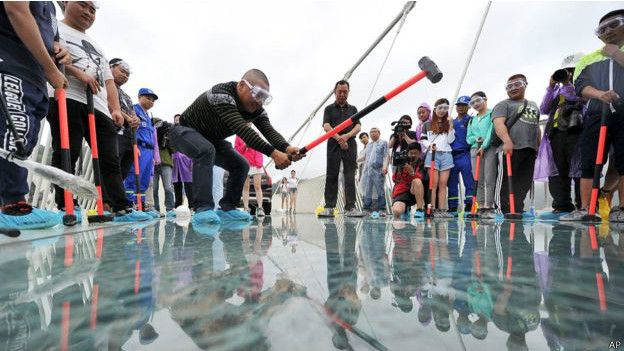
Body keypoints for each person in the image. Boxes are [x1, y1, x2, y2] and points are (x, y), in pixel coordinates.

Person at [46, 1, 150, 222]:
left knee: (109, 158)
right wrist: (76, 73)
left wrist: (115, 109)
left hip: (99, 106)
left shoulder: (98, 46)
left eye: (93, 10)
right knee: (67, 151)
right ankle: (66, 204)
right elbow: (48, 55)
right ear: (65, 3)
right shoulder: (53, 25)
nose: (88, 12)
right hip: (67, 96)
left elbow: (109, 82)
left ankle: (120, 206)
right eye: (83, 5)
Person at [169, 69, 301, 225]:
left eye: (264, 98)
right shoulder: (221, 94)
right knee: (206, 150)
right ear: (241, 85)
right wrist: (274, 154)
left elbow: (268, 130)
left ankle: (227, 207)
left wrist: (286, 148)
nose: (259, 101)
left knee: (241, 164)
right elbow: (243, 130)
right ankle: (202, 208)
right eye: (257, 94)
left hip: (210, 139)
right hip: (183, 131)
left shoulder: (256, 109)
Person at [0, 1, 71, 229]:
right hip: (10, 62)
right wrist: (51, 70)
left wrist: (61, 52)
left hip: (36, 78)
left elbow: (53, 40)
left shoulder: (49, 6)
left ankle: (14, 204)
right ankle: (13, 205)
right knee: (13, 134)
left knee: (25, 140)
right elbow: (16, 9)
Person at [562, 9, 624, 222]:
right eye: (602, 29)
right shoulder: (589, 59)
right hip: (597, 115)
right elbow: (580, 85)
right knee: (589, 161)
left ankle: (622, 209)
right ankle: (586, 208)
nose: (607, 31)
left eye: (614, 24)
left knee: (623, 161)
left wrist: (616, 54)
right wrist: (600, 94)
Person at [540, 54, 584, 219]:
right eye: (566, 71)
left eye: (571, 70)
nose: (569, 74)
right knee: (558, 171)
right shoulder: (557, 90)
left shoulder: (583, 84)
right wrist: (551, 87)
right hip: (556, 133)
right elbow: (544, 108)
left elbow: (575, 96)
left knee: (579, 169)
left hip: (577, 131)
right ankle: (561, 205)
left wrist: (566, 82)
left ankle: (583, 205)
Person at [491, 74, 541, 216]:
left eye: (517, 84)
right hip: (510, 149)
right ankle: (502, 210)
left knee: (524, 181)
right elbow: (498, 124)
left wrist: (538, 146)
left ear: (525, 84)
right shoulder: (503, 104)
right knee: (505, 181)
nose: (513, 88)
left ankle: (517, 208)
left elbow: (537, 126)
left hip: (529, 149)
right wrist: (507, 141)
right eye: (509, 86)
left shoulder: (533, 105)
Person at [319, 80, 362, 218]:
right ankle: (330, 207)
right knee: (332, 174)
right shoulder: (329, 109)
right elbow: (326, 126)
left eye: (345, 91)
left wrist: (347, 136)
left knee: (349, 175)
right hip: (333, 144)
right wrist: (339, 138)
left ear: (348, 92)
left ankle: (350, 207)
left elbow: (358, 127)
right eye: (339, 92)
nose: (342, 94)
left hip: (350, 144)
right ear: (334, 92)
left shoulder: (353, 109)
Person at [124, 88, 160, 217]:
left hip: (149, 151)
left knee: (144, 180)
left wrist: (153, 156)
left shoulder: (149, 117)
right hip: (139, 147)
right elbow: (129, 129)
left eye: (152, 100)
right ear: (139, 97)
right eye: (148, 98)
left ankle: (141, 206)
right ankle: (129, 205)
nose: (151, 101)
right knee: (133, 176)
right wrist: (134, 146)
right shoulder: (134, 110)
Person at [421, 98, 455, 218]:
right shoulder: (427, 124)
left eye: (445, 108)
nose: (442, 110)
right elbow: (423, 139)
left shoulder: (449, 122)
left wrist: (450, 125)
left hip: (446, 154)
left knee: (443, 184)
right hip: (432, 155)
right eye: (440, 108)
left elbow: (451, 140)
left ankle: (442, 209)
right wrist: (430, 145)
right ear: (435, 109)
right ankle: (433, 209)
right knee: (433, 184)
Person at [466, 91, 496, 215]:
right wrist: (475, 140)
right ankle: (480, 205)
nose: (476, 104)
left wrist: (484, 145)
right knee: (477, 178)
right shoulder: (472, 120)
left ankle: (489, 205)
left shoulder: (492, 114)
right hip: (474, 149)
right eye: (472, 102)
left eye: (478, 100)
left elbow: (491, 132)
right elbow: (469, 137)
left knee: (489, 177)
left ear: (485, 99)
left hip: (488, 149)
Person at [110, 58, 140, 180]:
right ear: (111, 67)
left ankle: (114, 198)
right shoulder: (105, 86)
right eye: (122, 71)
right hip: (114, 132)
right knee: (112, 168)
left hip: (129, 136)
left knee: (123, 173)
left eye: (127, 75)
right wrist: (127, 117)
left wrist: (136, 120)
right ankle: (104, 199)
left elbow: (133, 114)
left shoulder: (126, 96)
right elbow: (108, 105)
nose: (125, 76)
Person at [448, 96, 474, 214]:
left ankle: (469, 205)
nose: (460, 107)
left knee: (469, 181)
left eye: (463, 105)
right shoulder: (451, 122)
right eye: (458, 105)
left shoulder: (471, 120)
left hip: (465, 154)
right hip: (452, 156)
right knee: (452, 182)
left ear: (469, 106)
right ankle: (453, 207)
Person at [359, 127, 389, 216]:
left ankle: (382, 209)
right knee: (368, 190)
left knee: (380, 189)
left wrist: (385, 166)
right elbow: (364, 157)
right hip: (368, 171)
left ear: (379, 133)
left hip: (378, 170)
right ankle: (366, 208)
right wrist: (355, 160)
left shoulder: (383, 143)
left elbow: (386, 155)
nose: (373, 133)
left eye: (375, 132)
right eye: (371, 132)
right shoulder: (369, 145)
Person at [391, 143, 426, 219]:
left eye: (415, 153)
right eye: (411, 153)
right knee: (397, 211)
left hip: (415, 192)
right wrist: (400, 168)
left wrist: (412, 173)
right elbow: (394, 179)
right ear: (407, 153)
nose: (413, 155)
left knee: (417, 181)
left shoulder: (422, 164)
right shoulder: (402, 162)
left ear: (419, 153)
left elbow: (422, 179)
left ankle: (420, 209)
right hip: (402, 191)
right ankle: (406, 209)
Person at [235, 135, 266, 217]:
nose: (248, 123)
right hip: (244, 163)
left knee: (257, 186)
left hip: (256, 163)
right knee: (245, 187)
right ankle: (246, 208)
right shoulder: (238, 136)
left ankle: (260, 208)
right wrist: (245, 145)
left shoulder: (255, 134)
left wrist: (259, 162)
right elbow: (236, 150)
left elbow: (261, 148)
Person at [153, 118, 175, 216]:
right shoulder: (151, 133)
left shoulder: (167, 135)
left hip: (166, 163)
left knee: (168, 187)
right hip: (153, 163)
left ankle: (170, 209)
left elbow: (174, 149)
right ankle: (156, 209)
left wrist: (167, 141)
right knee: (154, 188)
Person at [171, 114, 194, 210]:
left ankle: (192, 206)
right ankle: (178, 207)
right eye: (176, 120)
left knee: (189, 184)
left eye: (179, 120)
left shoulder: (188, 133)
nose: (177, 122)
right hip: (175, 161)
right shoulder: (171, 132)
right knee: (177, 185)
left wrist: (192, 161)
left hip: (187, 161)